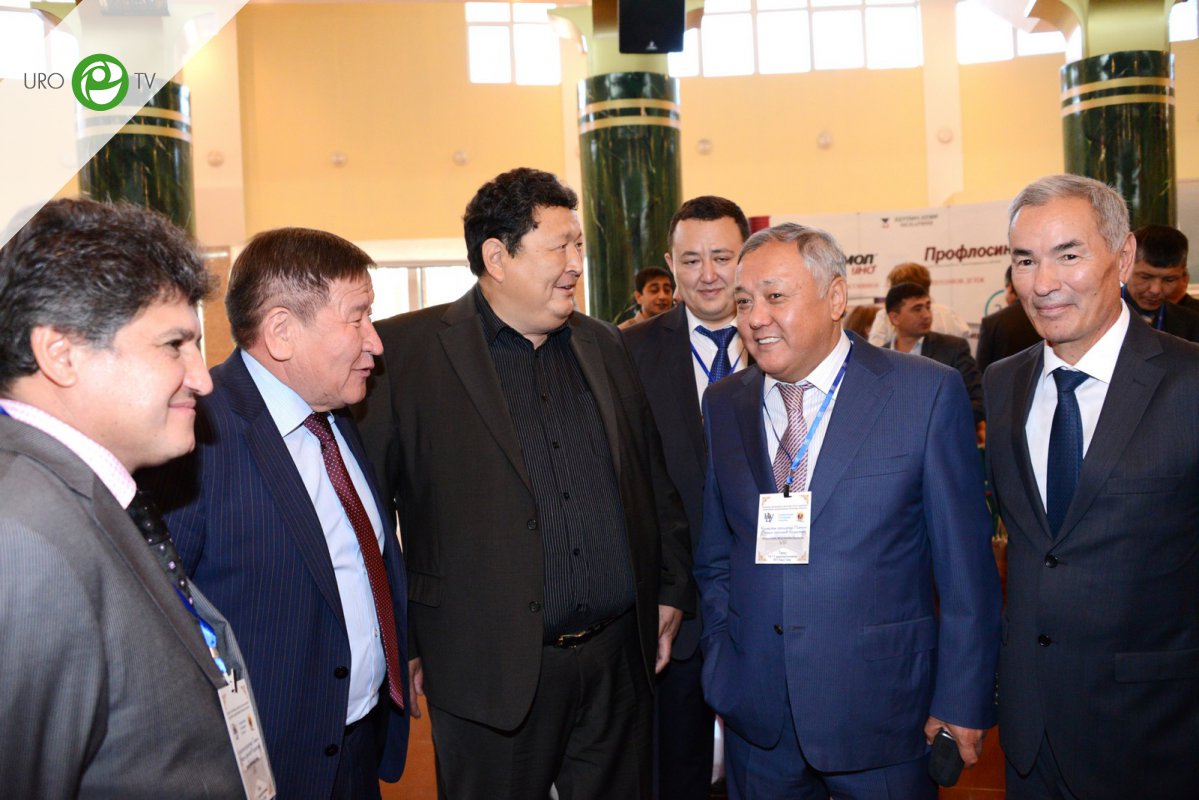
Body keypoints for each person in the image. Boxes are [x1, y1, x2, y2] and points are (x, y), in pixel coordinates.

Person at [355, 167, 692, 799]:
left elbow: (649, 474)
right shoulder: (405, 354)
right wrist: (402, 637)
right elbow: (368, 514)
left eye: (579, 246)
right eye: (559, 246)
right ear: (497, 257)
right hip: (486, 669)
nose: (576, 264)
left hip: (617, 663)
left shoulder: (604, 344)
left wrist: (671, 585)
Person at [697, 222, 1001, 799]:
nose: (755, 317)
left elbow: (965, 569)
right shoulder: (724, 403)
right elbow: (716, 553)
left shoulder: (924, 393)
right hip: (757, 716)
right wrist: (723, 659)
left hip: (884, 712)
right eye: (744, 301)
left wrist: (961, 698)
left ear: (835, 297)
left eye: (775, 296)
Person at [0, 198, 270, 799]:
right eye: (174, 345)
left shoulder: (83, 494)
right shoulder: (21, 536)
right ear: (61, 354)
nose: (202, 378)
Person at [143, 228, 409, 799]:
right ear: (282, 331)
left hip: (357, 746)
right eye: (358, 317)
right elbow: (159, 629)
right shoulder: (196, 434)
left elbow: (356, 563)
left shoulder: (336, 410)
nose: (375, 341)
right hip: (265, 765)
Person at [987, 175, 1199, 799]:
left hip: (1156, 734)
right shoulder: (1002, 384)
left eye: (1068, 254)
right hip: (1029, 737)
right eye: (1026, 260)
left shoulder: (1191, 382)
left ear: (1123, 257)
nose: (1042, 283)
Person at [623, 194, 751, 799]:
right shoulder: (626, 352)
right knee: (674, 778)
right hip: (672, 617)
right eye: (691, 260)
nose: (708, 275)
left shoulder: (789, 341)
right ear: (670, 265)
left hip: (771, 609)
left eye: (722, 257)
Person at [885, 281, 985, 436]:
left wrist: (932, 423)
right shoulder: (880, 356)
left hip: (942, 443)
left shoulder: (953, 349)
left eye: (928, 306)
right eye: (917, 309)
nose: (926, 315)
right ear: (895, 318)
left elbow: (978, 402)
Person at [1122, 223, 1199, 342]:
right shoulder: (1097, 314)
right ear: (1125, 264)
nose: (1156, 290)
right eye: (1145, 277)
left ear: (1183, 275)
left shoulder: (1191, 325)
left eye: (1169, 280)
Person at [866, 261, 969, 347]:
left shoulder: (885, 315)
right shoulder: (948, 313)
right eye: (917, 309)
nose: (926, 316)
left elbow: (874, 352)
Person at [976, 266, 1042, 375]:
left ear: (1010, 287)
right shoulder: (1048, 318)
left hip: (1000, 384)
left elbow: (981, 372)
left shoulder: (991, 323)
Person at [618, 265, 675, 330]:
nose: (662, 296)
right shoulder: (624, 332)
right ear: (638, 297)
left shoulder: (678, 328)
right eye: (654, 290)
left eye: (667, 290)